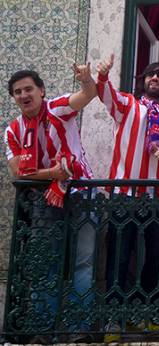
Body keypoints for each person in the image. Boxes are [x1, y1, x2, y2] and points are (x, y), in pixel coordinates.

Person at [95, 56, 159, 332]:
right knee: (120, 258)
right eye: (150, 75)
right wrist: (101, 75)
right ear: (143, 81)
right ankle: (114, 319)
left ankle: (147, 315)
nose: (155, 79)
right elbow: (105, 94)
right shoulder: (127, 105)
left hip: (158, 198)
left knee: (154, 259)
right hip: (124, 195)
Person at [4, 65, 97, 333]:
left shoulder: (58, 108)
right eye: (18, 92)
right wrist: (53, 174)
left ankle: (79, 329)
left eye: (29, 89)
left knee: (83, 263)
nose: (24, 95)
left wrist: (87, 79)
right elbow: (17, 173)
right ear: (13, 97)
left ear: (41, 91)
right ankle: (44, 328)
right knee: (46, 264)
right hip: (43, 201)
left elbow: (87, 95)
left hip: (82, 194)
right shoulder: (13, 131)